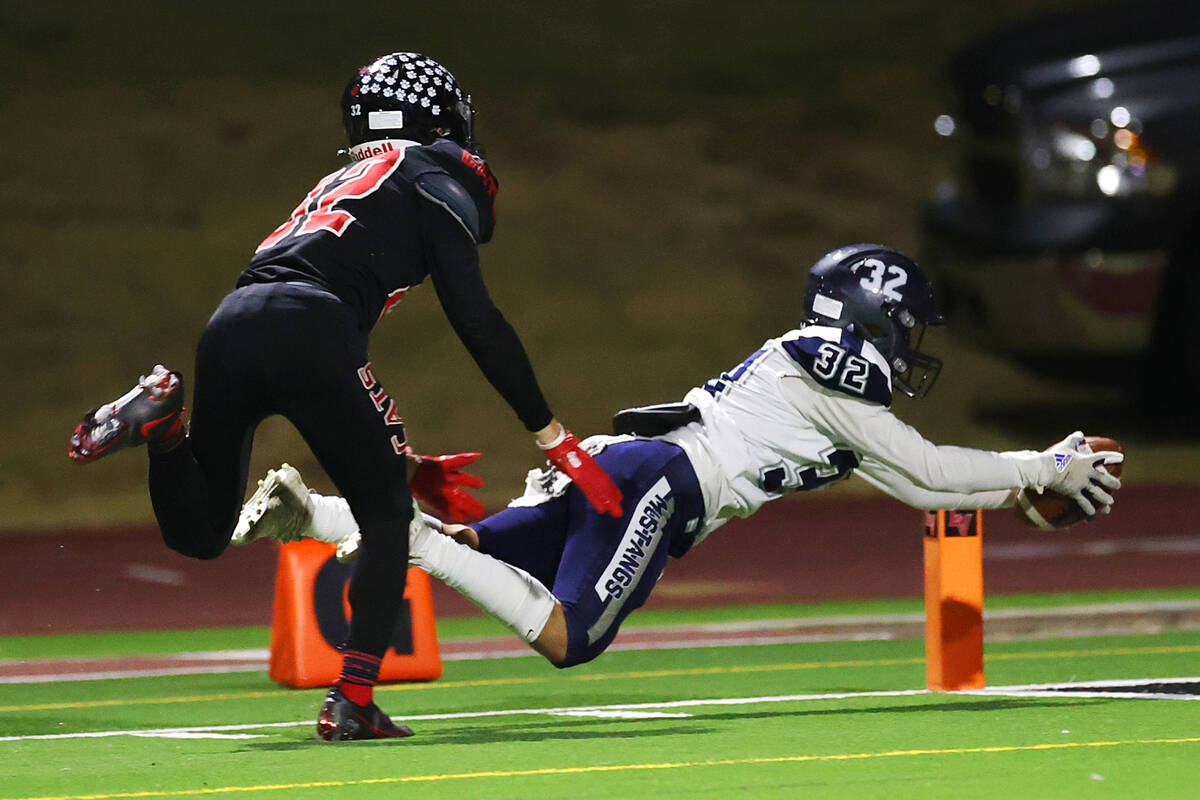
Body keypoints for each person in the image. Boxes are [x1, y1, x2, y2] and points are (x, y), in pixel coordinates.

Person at [66, 51, 623, 741]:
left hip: (233, 319)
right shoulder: (428, 175)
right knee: (389, 519)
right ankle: (352, 702)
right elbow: (476, 318)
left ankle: (164, 426)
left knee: (205, 531)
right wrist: (551, 434)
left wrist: (404, 461)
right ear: (436, 118)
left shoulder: (341, 177)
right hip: (312, 323)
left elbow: (316, 341)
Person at [234, 243, 1124, 671]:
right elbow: (929, 465)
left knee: (482, 554)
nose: (912, 343)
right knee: (568, 638)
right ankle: (412, 541)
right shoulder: (831, 377)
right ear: (873, 319)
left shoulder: (820, 393)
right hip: (656, 482)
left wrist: (1022, 490)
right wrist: (1041, 467)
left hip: (626, 465)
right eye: (908, 325)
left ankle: (313, 513)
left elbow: (918, 487)